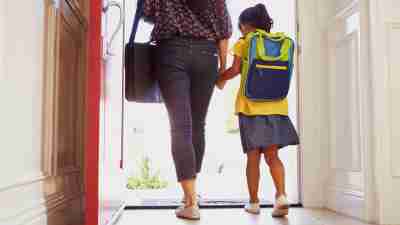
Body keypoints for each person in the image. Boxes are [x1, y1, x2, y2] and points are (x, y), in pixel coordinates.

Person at [142, 0, 232, 220]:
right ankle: (191, 193)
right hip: (207, 54)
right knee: (197, 124)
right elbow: (224, 30)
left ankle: (190, 201)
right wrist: (222, 68)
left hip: (172, 51)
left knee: (180, 126)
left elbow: (146, 12)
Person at [216, 3, 299, 217]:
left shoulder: (245, 42)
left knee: (253, 157)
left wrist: (218, 79)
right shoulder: (279, 42)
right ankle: (281, 196)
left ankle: (253, 202)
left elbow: (235, 70)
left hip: (251, 107)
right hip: (277, 106)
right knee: (273, 155)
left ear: (244, 26)